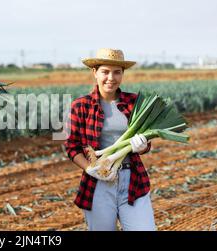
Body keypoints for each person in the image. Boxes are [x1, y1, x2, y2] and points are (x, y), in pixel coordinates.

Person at [64, 48, 156, 231]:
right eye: (105, 71)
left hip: (133, 180)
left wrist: (143, 146)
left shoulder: (135, 102)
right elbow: (71, 146)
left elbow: (147, 138)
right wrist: (90, 168)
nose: (111, 78)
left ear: (123, 74)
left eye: (117, 72)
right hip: (98, 182)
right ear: (95, 73)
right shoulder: (81, 106)